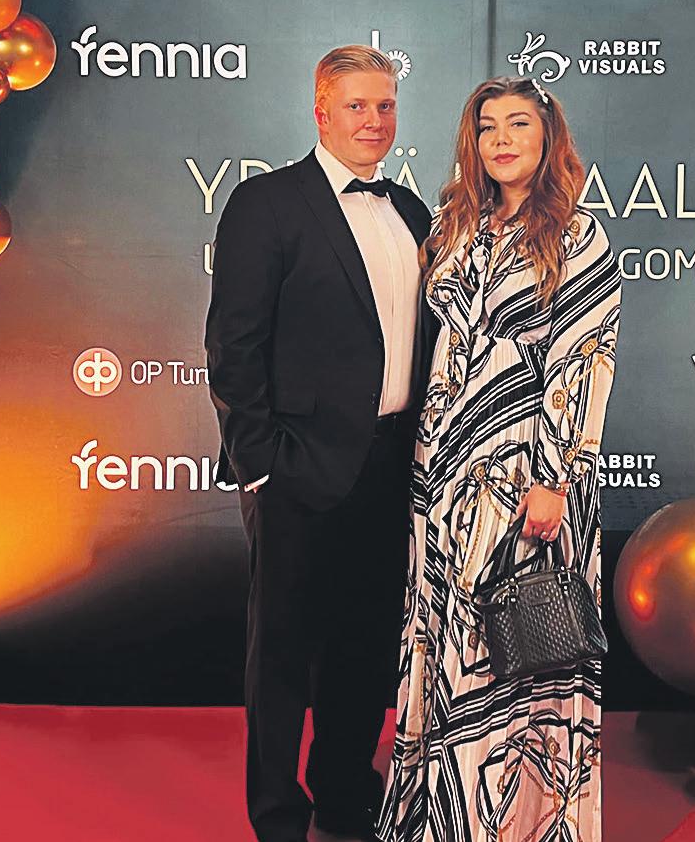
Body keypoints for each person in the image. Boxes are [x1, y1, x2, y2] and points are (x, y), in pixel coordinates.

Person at [377, 76, 621, 842]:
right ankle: (438, 819)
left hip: (522, 475)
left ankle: (519, 824)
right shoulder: (457, 225)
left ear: (548, 137)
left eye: (519, 123)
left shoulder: (578, 235)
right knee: (442, 636)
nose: (502, 139)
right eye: (488, 127)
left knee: (511, 649)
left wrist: (554, 478)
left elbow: (583, 360)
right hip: (441, 470)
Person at [206, 45, 434, 842]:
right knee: (281, 654)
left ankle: (343, 794)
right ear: (321, 112)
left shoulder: (412, 212)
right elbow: (233, 344)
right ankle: (277, 815)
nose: (374, 120)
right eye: (357, 106)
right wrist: (259, 466)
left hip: (394, 465)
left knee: (366, 645)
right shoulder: (267, 203)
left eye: (385, 105)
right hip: (296, 466)